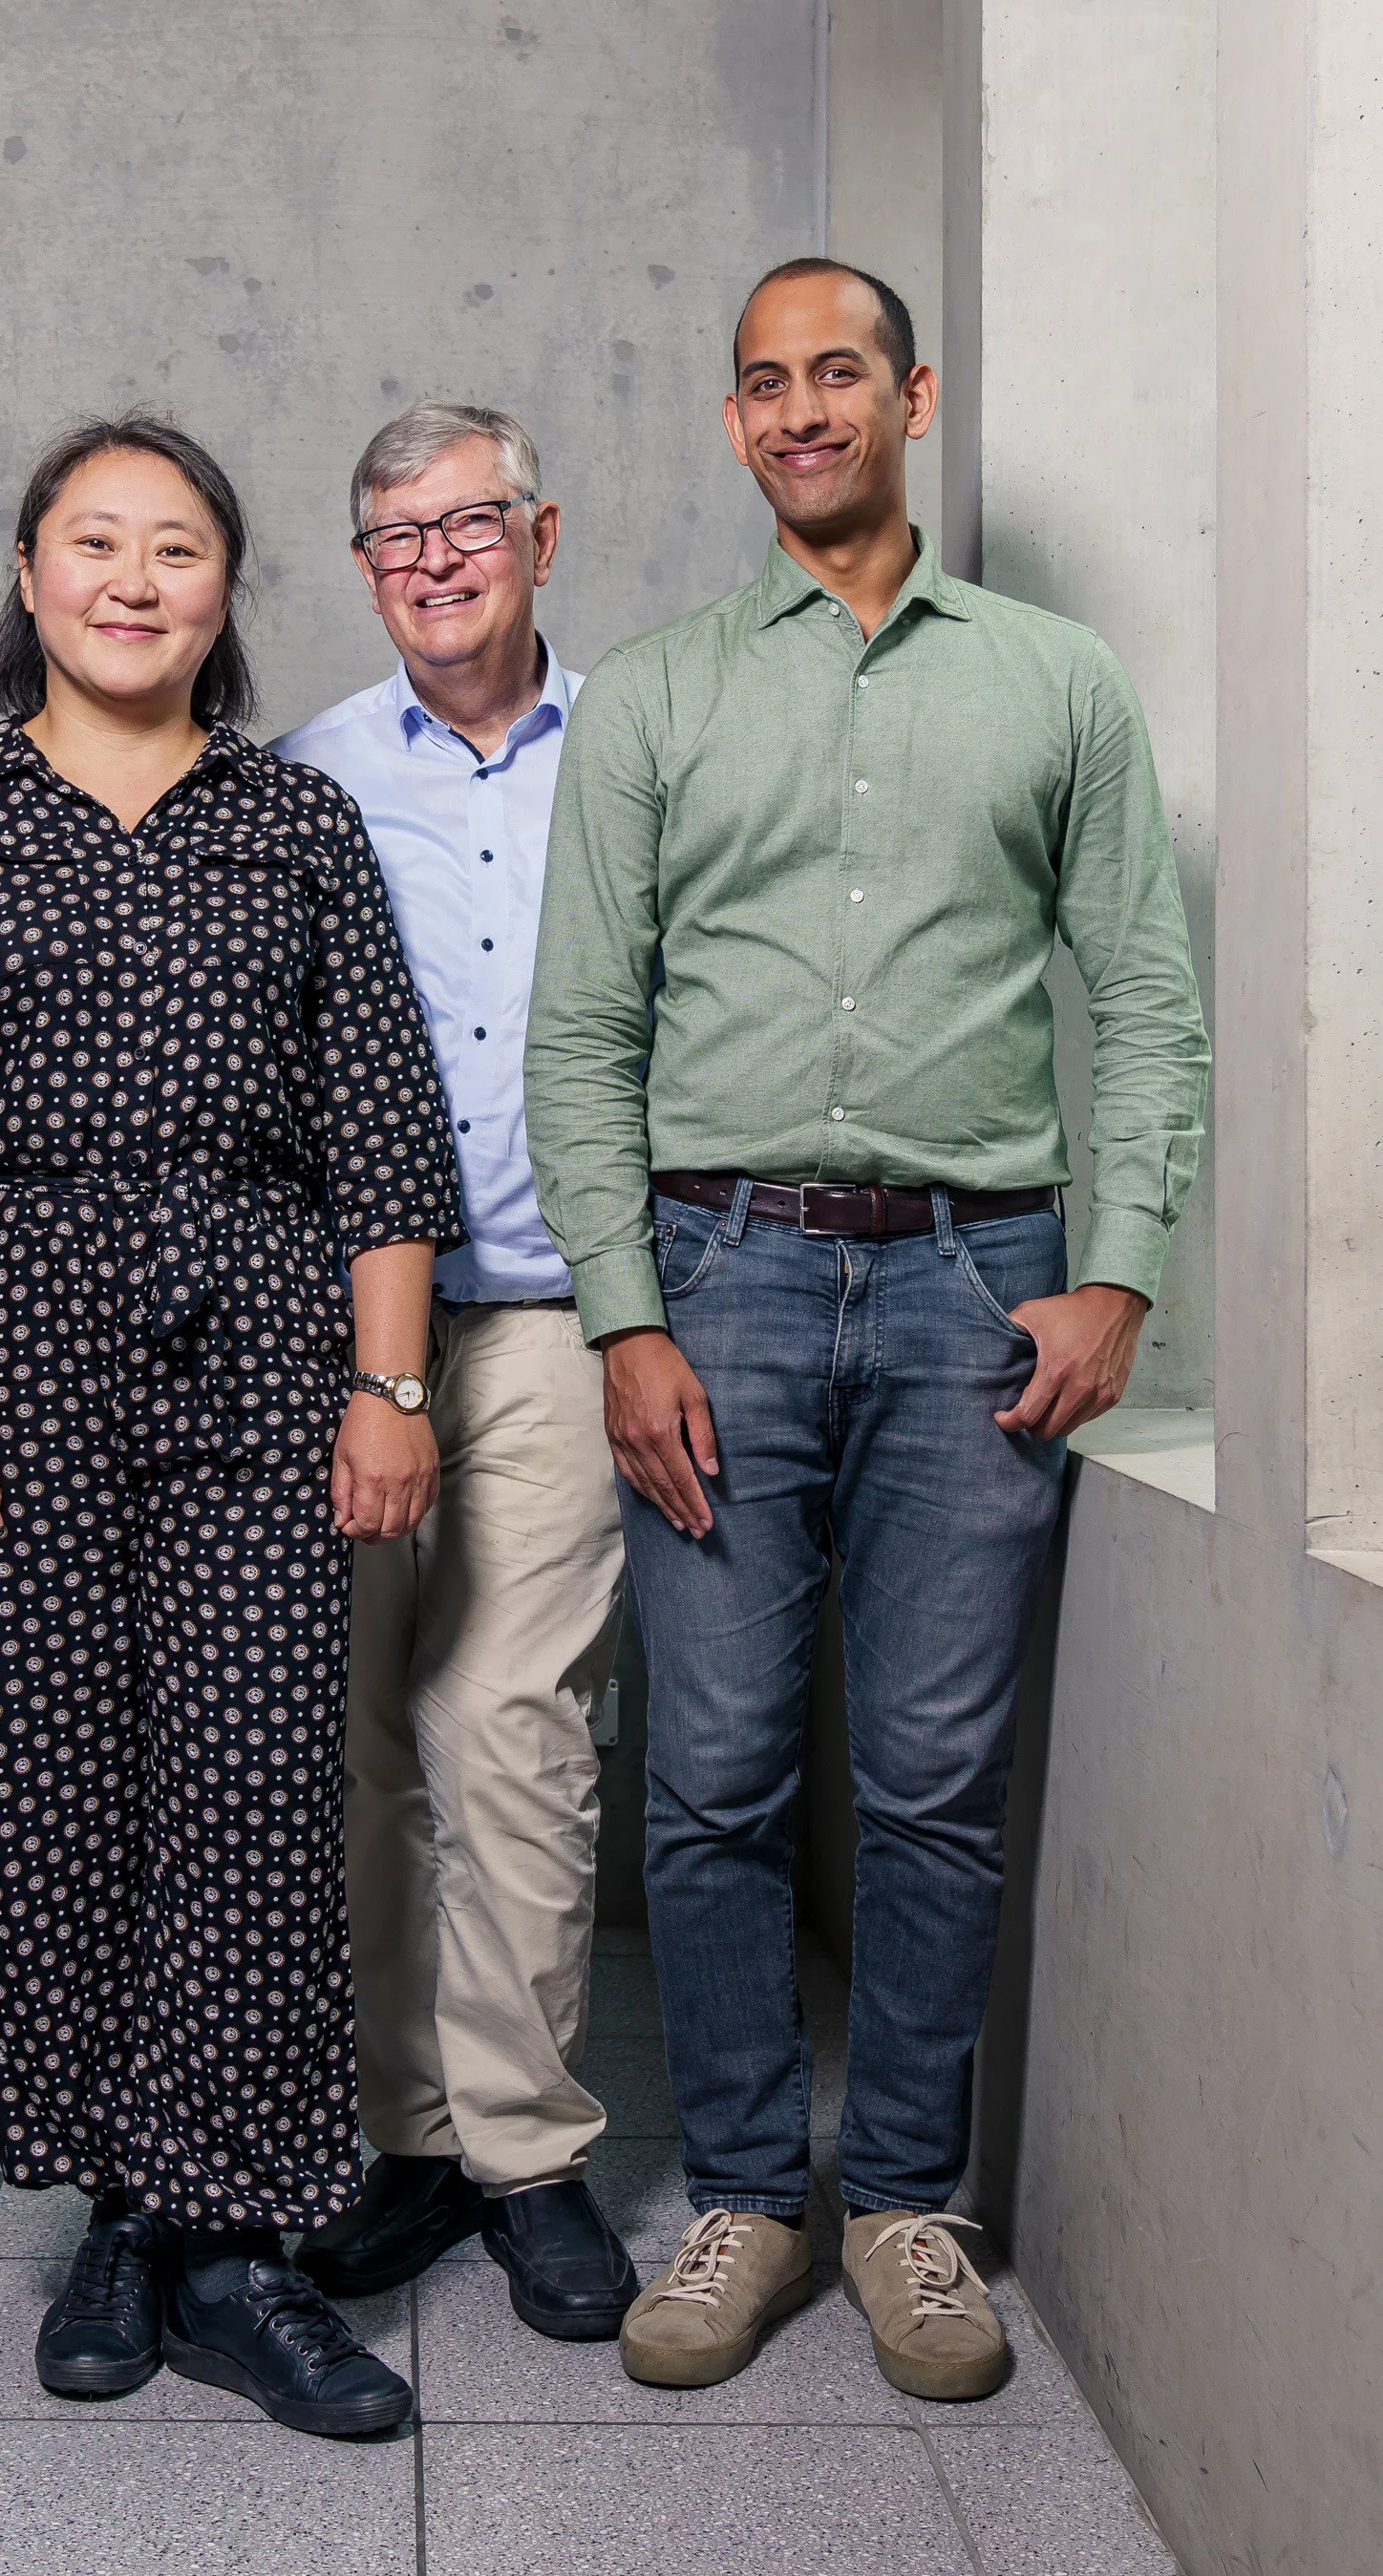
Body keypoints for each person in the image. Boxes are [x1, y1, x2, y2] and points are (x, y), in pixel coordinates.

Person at [525, 261, 1209, 2401]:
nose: (804, 409)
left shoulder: (1058, 681)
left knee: (930, 1780)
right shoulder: (651, 693)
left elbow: (1153, 999)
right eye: (766, 383)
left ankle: (908, 2200)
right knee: (715, 1771)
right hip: (717, 1281)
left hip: (976, 1288)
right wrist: (630, 1318)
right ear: (736, 426)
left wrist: (1118, 1270)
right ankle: (747, 2187)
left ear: (913, 395)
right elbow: (583, 1034)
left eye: (841, 373)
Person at [0, 412, 464, 2439]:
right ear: (27, 574)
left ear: (221, 592)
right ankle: (122, 2207)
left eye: (177, 546)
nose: (134, 576)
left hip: (267, 1353)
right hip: (1, 1364)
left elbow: (388, 1134)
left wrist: (389, 1381)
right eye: (95, 540)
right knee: (48, 1793)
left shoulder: (296, 826)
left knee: (255, 1793)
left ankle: (240, 2242)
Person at [273, 405, 636, 2339]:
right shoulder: (311, 775)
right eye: (394, 531)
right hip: (353, 1329)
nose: (433, 555)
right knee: (355, 1736)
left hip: (569, 1316)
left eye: (468, 520)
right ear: (363, 566)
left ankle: (527, 2146)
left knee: (515, 1719)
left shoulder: (643, 749)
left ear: (541, 533)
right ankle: (403, 2133)